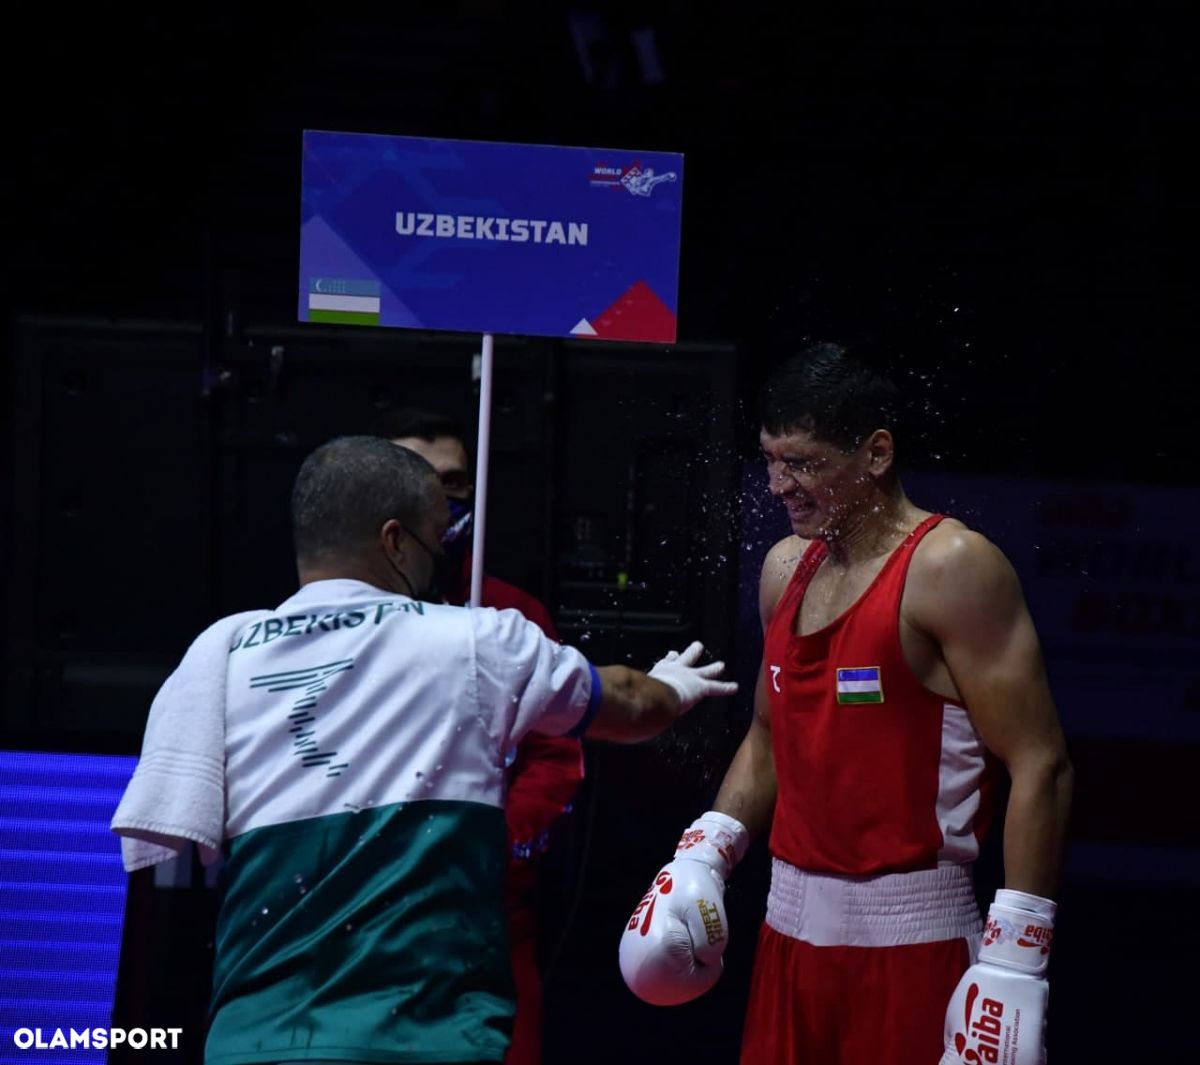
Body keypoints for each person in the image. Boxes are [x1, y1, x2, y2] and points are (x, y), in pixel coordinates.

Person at [112, 436, 736, 1065]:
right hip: (427, 1041)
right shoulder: (473, 640)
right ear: (395, 542)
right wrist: (674, 687)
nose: (443, 553)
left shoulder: (222, 653)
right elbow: (627, 703)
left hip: (252, 1042)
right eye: (437, 536)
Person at [619, 344, 1074, 1065]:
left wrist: (1018, 950)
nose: (778, 485)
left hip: (914, 947)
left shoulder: (951, 566)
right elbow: (770, 737)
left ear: (876, 453)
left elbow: (1040, 761)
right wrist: (708, 847)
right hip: (787, 939)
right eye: (770, 459)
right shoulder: (783, 568)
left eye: (801, 462)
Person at [370, 408, 582, 1065]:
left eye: (453, 481)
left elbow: (554, 757)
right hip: (360, 915)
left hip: (482, 914)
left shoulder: (511, 614)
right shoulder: (332, 616)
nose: (438, 497)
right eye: (416, 477)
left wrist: (491, 847)